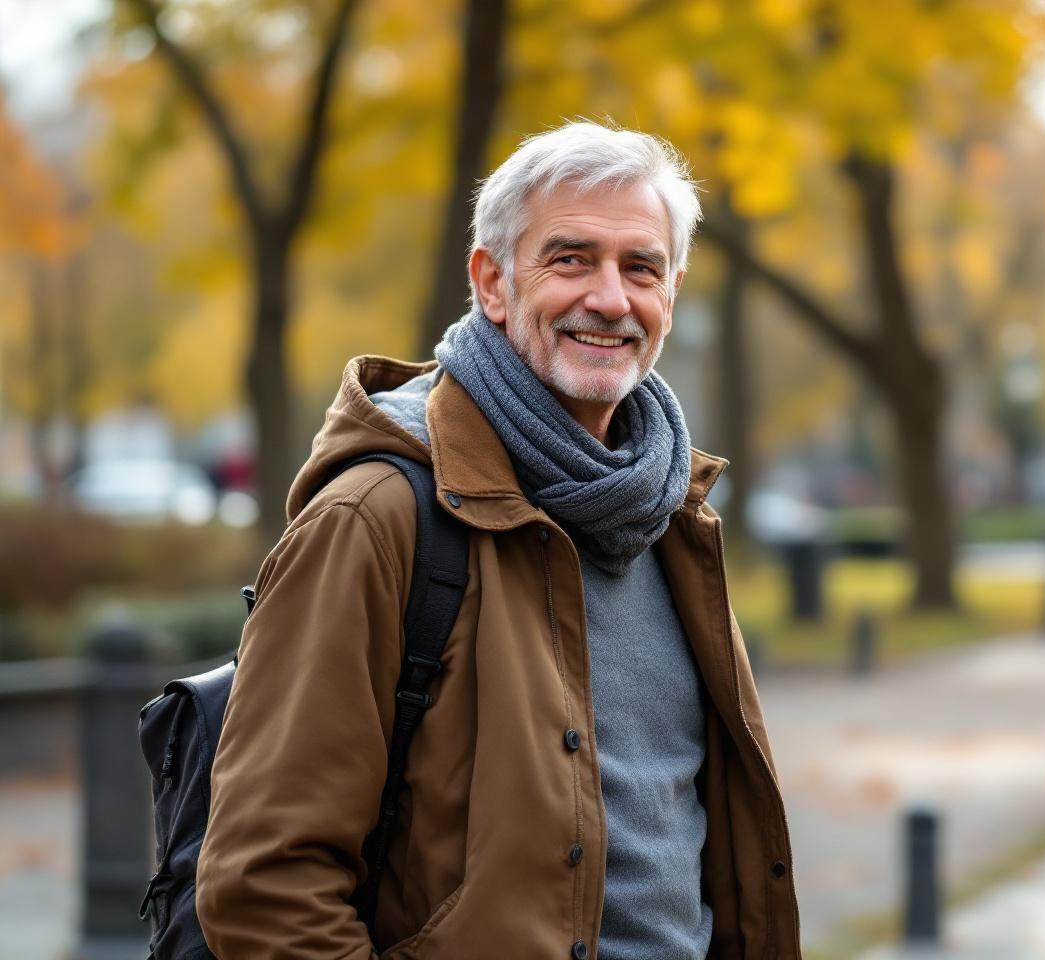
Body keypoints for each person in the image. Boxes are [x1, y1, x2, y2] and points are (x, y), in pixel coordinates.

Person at [196, 122, 801, 958]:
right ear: (492, 281)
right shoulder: (376, 518)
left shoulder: (672, 515)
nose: (611, 299)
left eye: (641, 267)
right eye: (570, 259)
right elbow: (264, 888)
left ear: (673, 293)